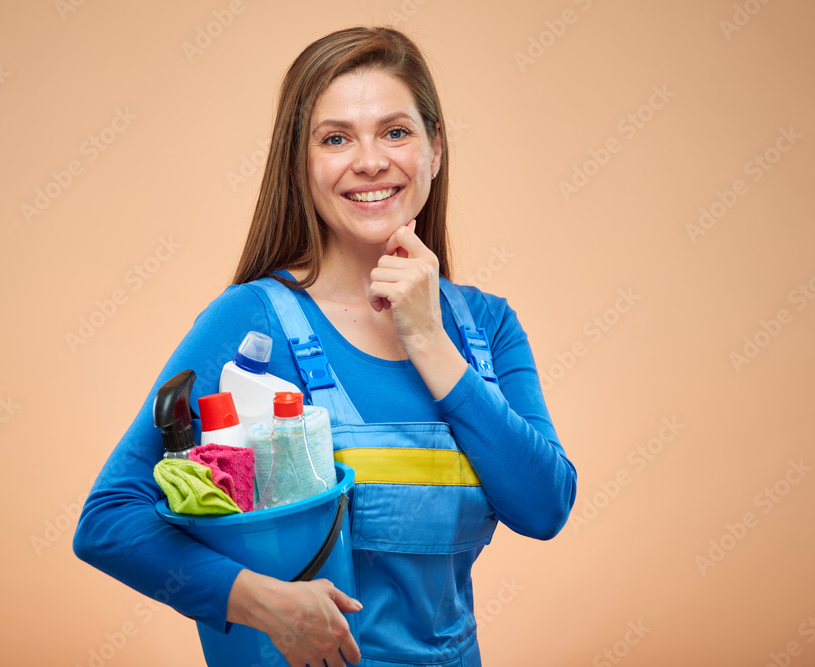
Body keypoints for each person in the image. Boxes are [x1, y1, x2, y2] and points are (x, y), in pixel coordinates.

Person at [74, 26, 577, 667]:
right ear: (302, 163)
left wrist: (427, 337)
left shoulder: (486, 327)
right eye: (336, 138)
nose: (369, 161)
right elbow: (109, 520)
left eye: (395, 132)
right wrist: (258, 601)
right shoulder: (251, 322)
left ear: (436, 148)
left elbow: (544, 506)